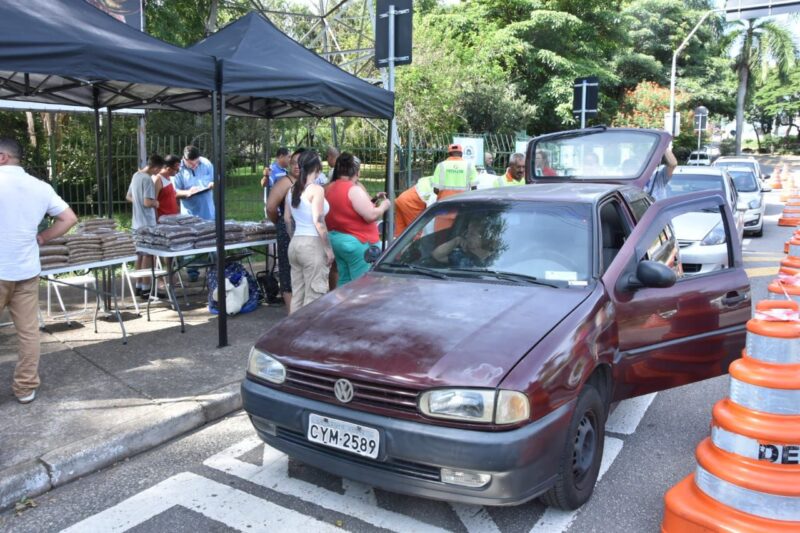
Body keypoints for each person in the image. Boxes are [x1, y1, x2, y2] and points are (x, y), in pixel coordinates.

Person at [0, 138, 77, 403]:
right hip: (26, 270)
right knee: (28, 332)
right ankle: (25, 388)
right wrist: (43, 237)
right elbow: (69, 218)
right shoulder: (40, 187)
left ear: (2, 157)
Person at [326, 153, 390, 285]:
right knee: (362, 284)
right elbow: (370, 216)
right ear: (357, 171)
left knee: (345, 281)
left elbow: (349, 208)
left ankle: (343, 305)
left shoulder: (330, 188)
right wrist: (384, 206)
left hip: (338, 240)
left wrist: (374, 199)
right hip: (358, 242)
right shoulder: (353, 189)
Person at [284, 151, 334, 313]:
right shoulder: (316, 190)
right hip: (312, 245)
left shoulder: (291, 189)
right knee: (313, 296)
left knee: (298, 295)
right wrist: (328, 249)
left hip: (296, 243)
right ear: (317, 168)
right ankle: (306, 335)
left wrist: (294, 238)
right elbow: (318, 221)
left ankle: (292, 333)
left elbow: (287, 219)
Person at [267, 148, 304, 313]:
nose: (297, 166)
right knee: (287, 270)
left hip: (306, 231)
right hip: (287, 230)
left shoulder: (310, 182)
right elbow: (270, 208)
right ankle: (291, 313)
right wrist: (280, 223)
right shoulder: (284, 182)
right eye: (294, 162)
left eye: (301, 163)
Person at [174, 145, 215, 282]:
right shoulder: (178, 169)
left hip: (208, 210)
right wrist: (187, 192)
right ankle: (192, 271)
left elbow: (214, 180)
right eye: (191, 163)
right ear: (184, 159)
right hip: (189, 213)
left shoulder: (206, 163)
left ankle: (215, 269)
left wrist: (212, 185)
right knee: (190, 242)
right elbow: (174, 192)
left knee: (212, 239)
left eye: (196, 162)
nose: (194, 165)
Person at [127, 154, 163, 296]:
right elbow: (147, 202)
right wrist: (156, 203)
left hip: (136, 223)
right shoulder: (147, 179)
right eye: (158, 170)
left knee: (139, 255)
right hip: (147, 224)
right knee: (148, 256)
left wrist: (138, 202)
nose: (158, 173)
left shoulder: (136, 175)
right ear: (154, 167)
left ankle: (139, 285)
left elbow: (129, 196)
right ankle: (146, 288)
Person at [431, 144, 479, 231]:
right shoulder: (469, 166)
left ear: (449, 154)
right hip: (462, 207)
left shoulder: (441, 165)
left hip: (444, 207)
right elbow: (474, 189)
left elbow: (435, 189)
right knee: (460, 236)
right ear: (461, 154)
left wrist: (445, 194)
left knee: (441, 237)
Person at [432, 218, 497, 268]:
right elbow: (437, 255)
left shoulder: (495, 258)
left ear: (484, 238)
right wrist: (456, 240)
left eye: (472, 234)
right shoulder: (461, 256)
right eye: (467, 233)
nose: (467, 236)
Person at [154, 154, 180, 220]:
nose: (177, 171)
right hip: (163, 219)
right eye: (176, 170)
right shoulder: (158, 179)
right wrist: (157, 219)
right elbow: (153, 202)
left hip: (174, 217)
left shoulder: (170, 177)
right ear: (168, 169)